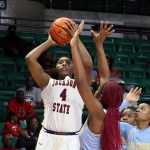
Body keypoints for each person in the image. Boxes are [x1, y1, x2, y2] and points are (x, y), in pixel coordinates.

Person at [25, 19, 92, 150]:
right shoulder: (48, 83)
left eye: (68, 62)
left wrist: (76, 38)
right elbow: (29, 59)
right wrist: (49, 42)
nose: (64, 64)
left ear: (74, 68)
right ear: (55, 67)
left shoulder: (80, 85)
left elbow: (88, 65)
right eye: (60, 62)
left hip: (71, 139)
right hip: (47, 136)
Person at [70, 20, 124, 149]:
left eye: (99, 88)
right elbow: (105, 76)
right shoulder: (107, 111)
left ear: (100, 97)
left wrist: (73, 46)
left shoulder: (98, 111)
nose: (97, 86)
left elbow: (81, 82)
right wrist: (99, 44)